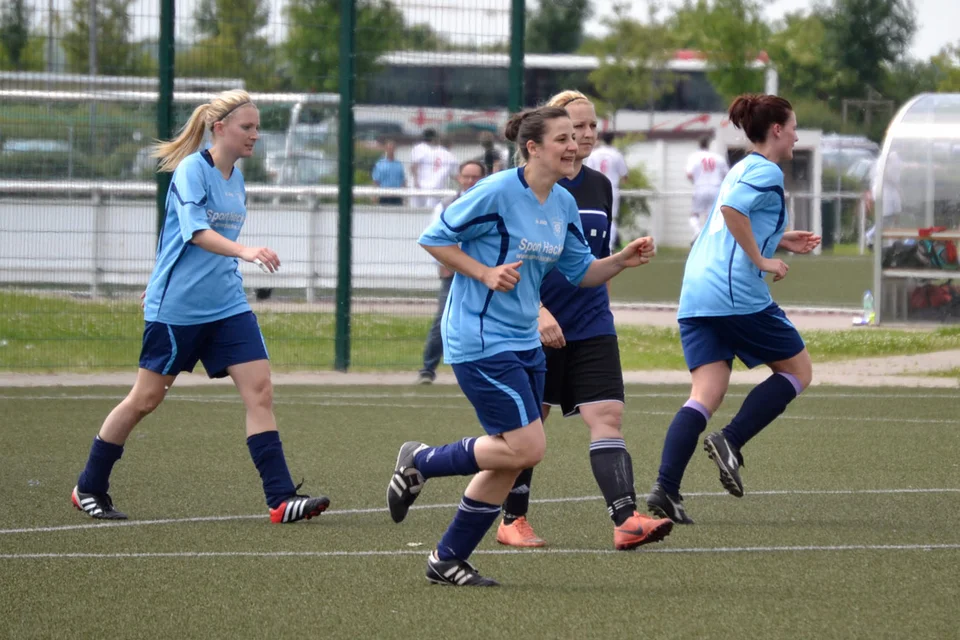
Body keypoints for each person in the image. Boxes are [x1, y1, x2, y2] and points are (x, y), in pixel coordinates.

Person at [386, 106, 657, 587]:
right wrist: (485, 272)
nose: (574, 146)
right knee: (527, 446)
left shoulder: (562, 204)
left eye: (575, 138)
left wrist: (620, 259)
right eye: (562, 139)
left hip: (524, 342)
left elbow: (581, 273)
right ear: (532, 148)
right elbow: (435, 238)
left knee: (513, 457)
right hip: (480, 338)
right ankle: (421, 460)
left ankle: (446, 559)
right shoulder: (496, 191)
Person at [69, 90, 330, 524]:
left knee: (260, 391)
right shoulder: (192, 170)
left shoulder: (237, 178)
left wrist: (228, 260)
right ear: (219, 128)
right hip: (179, 311)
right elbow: (191, 233)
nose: (255, 136)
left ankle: (281, 500)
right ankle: (89, 486)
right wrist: (242, 252)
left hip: (227, 306)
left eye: (257, 128)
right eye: (247, 127)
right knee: (145, 400)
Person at [495, 90, 673, 551]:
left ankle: (626, 519)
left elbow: (586, 259)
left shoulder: (600, 185)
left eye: (593, 126)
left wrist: (620, 263)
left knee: (607, 414)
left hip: (591, 321)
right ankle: (511, 519)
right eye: (575, 129)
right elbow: (502, 258)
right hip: (532, 323)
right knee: (530, 426)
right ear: (549, 136)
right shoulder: (520, 187)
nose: (586, 136)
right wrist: (536, 312)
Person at [645, 94, 821, 525]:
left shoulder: (742, 166)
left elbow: (730, 221)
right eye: (794, 125)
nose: (797, 134)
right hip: (733, 293)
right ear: (776, 129)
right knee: (798, 372)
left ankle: (666, 490)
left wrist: (779, 239)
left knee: (705, 395)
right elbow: (730, 210)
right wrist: (761, 260)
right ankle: (731, 440)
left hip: (697, 294)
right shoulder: (765, 170)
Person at [417, 160, 487, 385]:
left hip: (484, 273)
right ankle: (428, 369)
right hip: (453, 272)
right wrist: (447, 263)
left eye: (475, 177)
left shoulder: (489, 202)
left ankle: (480, 370)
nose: (470, 181)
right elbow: (433, 238)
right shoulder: (446, 204)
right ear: (458, 178)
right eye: (466, 176)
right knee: (443, 320)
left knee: (485, 321)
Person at [584, 131, 628, 251]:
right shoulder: (616, 154)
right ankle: (609, 246)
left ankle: (595, 243)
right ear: (613, 139)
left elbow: (587, 172)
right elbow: (624, 175)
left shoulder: (594, 153)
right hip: (612, 189)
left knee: (596, 216)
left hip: (596, 189)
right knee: (611, 218)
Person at [685, 135, 729, 244]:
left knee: (694, 214)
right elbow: (727, 175)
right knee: (711, 215)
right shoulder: (718, 158)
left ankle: (697, 232)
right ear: (708, 145)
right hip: (716, 188)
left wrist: (696, 181)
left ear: (699, 145)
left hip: (700, 188)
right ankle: (710, 239)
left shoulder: (694, 157)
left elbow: (689, 174)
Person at [410, 128, 457, 208]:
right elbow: (455, 175)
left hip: (422, 184)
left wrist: (416, 181)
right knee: (432, 211)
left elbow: (414, 166)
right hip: (435, 187)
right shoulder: (451, 157)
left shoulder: (429, 152)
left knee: (416, 210)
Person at [372, 138, 406, 205]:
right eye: (389, 148)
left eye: (392, 148)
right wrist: (374, 196)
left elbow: (403, 181)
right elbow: (376, 181)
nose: (391, 150)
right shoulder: (379, 164)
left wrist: (405, 197)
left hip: (397, 196)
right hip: (384, 196)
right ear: (385, 149)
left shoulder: (399, 164)